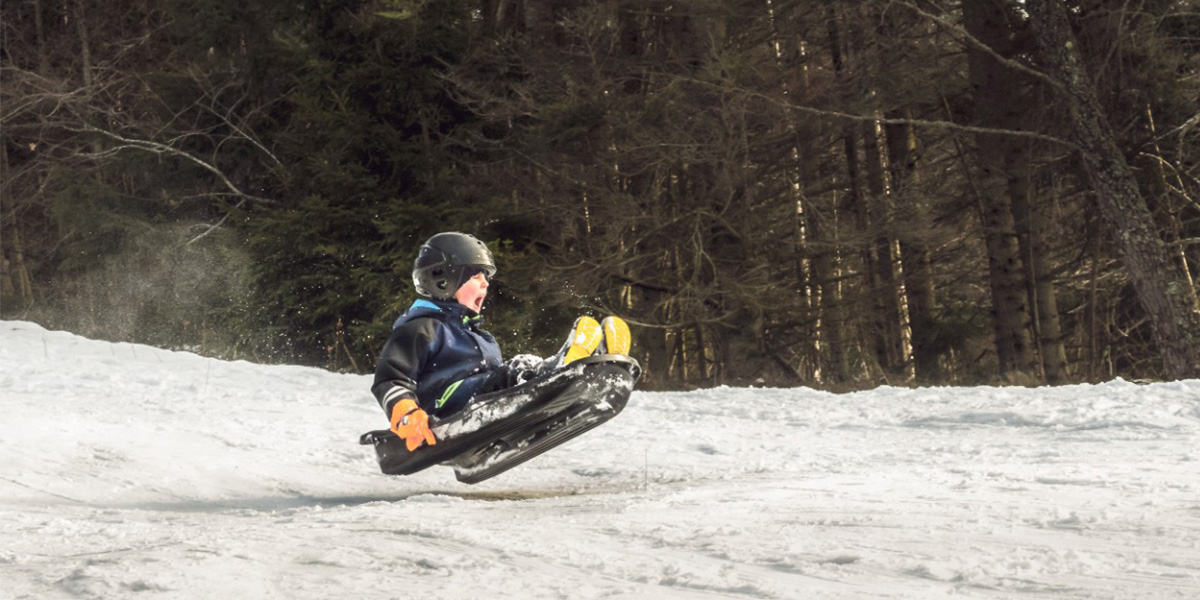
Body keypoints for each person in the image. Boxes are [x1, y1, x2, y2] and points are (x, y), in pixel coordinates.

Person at [371, 232, 631, 451]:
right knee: (516, 370)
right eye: (476, 276)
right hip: (445, 410)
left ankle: (578, 364)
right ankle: (565, 372)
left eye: (486, 276)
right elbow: (390, 378)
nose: (486, 283)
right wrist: (406, 414)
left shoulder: (480, 336)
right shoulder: (421, 327)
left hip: (482, 401)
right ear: (443, 280)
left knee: (520, 369)